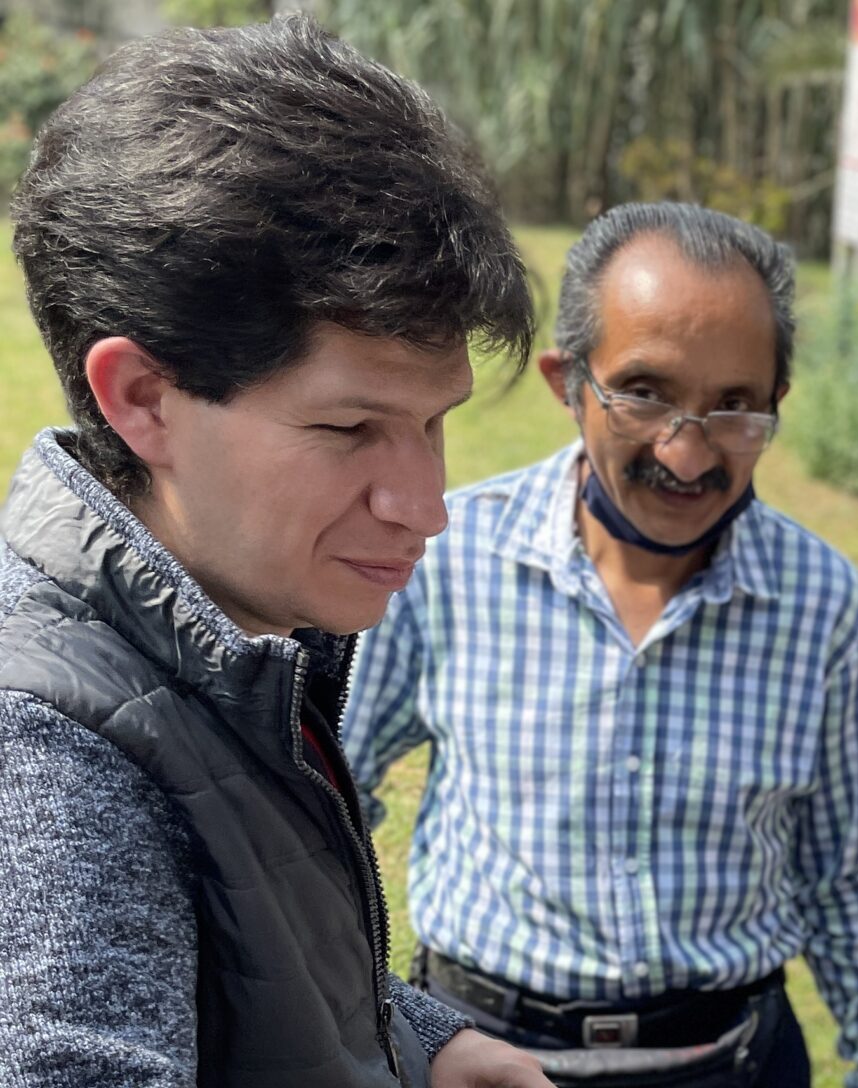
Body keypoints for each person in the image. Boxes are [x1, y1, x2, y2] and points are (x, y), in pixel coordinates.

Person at [0, 15, 552, 1088]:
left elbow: (243, 968)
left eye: (436, 422)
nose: (425, 506)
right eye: (350, 429)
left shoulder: (229, 638)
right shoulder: (52, 756)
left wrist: (426, 1041)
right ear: (144, 400)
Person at [339, 202, 858, 1087]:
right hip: (484, 1055)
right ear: (567, 383)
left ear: (776, 405)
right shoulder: (448, 564)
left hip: (728, 1060)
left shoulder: (823, 605)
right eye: (644, 394)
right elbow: (329, 799)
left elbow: (847, 877)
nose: (687, 455)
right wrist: (365, 1011)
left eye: (735, 408)